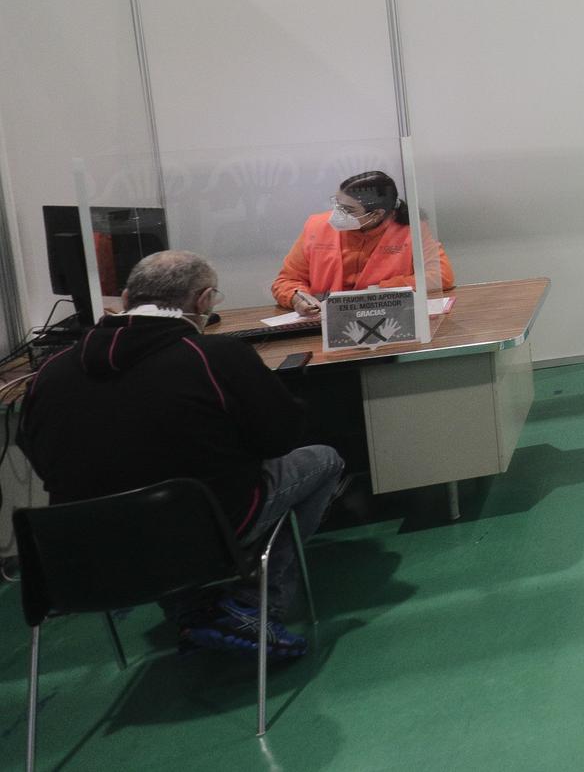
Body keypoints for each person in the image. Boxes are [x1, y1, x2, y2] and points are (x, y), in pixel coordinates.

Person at [20, 251, 343, 659]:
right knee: (324, 459)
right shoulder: (216, 356)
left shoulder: (49, 373)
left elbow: (36, 453)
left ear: (124, 297)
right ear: (205, 301)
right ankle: (251, 606)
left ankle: (193, 611)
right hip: (202, 532)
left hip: (88, 554)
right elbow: (280, 438)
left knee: (152, 498)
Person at [272, 170, 454, 319]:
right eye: (337, 204)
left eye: (347, 210)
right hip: (323, 323)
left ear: (376, 214)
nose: (336, 213)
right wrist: (296, 298)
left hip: (386, 319)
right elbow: (286, 281)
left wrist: (378, 291)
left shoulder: (411, 229)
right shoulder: (317, 226)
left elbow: (441, 275)